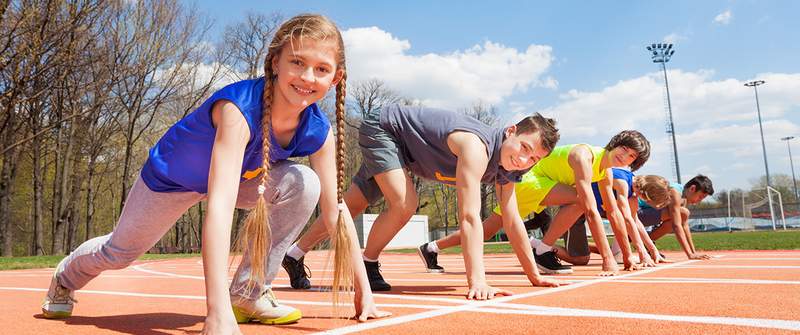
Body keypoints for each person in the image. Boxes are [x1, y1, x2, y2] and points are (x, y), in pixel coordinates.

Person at [41, 14, 390, 334]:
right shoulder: (238, 110)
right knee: (119, 254)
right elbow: (219, 207)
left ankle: (248, 293)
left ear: (336, 77)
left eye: (321, 69)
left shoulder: (318, 131)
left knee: (304, 184)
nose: (307, 77)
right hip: (171, 181)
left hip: (244, 181)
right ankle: (66, 276)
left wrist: (364, 291)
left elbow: (335, 211)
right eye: (297, 62)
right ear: (275, 63)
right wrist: (215, 311)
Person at [282, 104, 563, 299]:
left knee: (351, 205)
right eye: (524, 148)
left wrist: (534, 275)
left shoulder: (510, 169)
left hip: (407, 154)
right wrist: (477, 280)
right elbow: (469, 217)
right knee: (404, 203)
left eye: (534, 159)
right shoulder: (477, 147)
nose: (524, 160)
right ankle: (368, 263)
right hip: (386, 130)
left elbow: (512, 221)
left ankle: (293, 254)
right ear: (510, 131)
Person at [417, 131, 650, 276]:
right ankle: (542, 248)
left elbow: (615, 213)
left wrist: (628, 256)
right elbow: (591, 211)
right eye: (624, 149)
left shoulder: (606, 172)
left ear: (634, 163)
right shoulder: (584, 156)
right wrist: (608, 259)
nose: (624, 156)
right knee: (581, 201)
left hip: (546, 185)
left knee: (488, 228)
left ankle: (432, 247)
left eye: (631, 156)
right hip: (531, 180)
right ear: (615, 143)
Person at [566, 171, 672, 268]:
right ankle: (549, 248)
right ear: (645, 192)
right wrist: (642, 253)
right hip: (572, 206)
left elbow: (635, 221)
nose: (645, 201)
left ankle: (550, 247)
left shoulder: (633, 189)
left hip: (585, 210)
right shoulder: (622, 182)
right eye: (648, 200)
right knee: (580, 259)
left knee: (582, 258)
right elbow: (627, 220)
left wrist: (653, 250)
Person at [638, 175, 715, 260]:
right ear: (692, 188)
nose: (699, 201)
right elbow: (676, 225)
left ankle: (647, 243)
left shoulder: (682, 194)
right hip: (635, 213)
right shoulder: (675, 192)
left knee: (683, 213)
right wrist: (690, 254)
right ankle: (647, 243)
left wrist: (693, 252)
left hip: (643, 213)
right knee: (683, 213)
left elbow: (684, 225)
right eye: (700, 197)